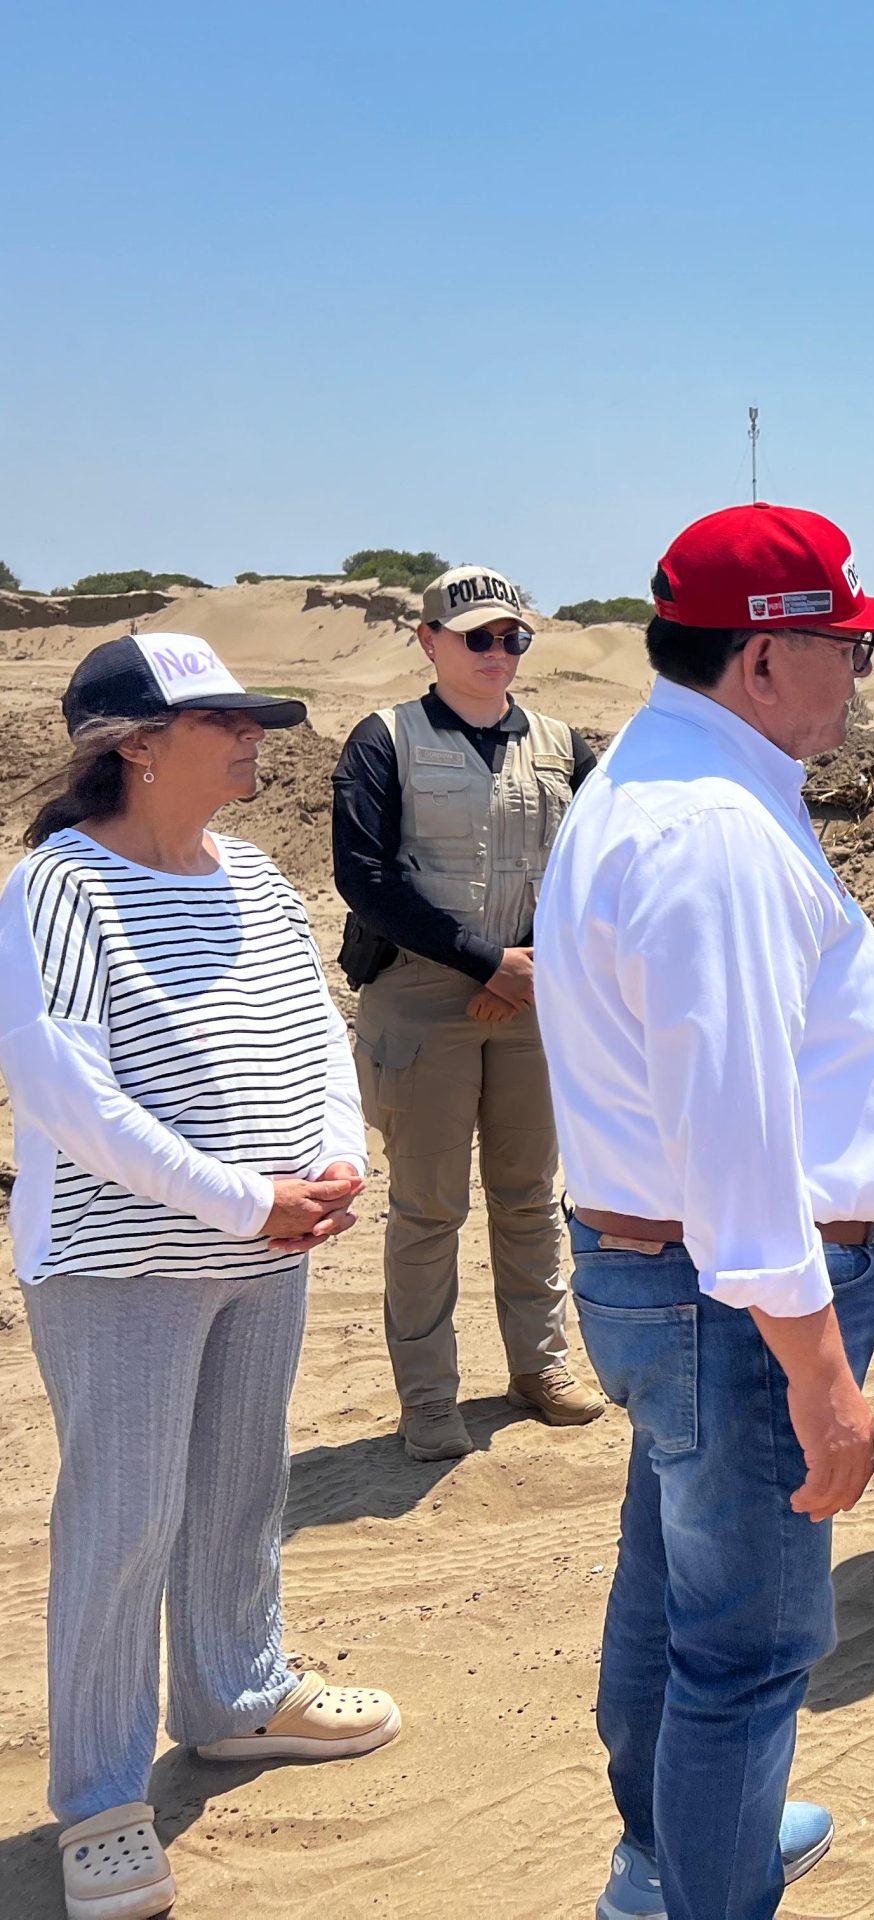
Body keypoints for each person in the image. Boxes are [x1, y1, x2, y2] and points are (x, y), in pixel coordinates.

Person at [534, 504, 874, 1920]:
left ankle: (671, 1854)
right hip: (736, 1295)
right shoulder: (712, 829)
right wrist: (818, 1374)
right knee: (747, 1650)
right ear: (761, 660)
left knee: (672, 1592)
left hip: (675, 1275)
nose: (863, 674)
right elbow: (736, 1129)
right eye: (847, 646)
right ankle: (700, 1877)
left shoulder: (667, 780)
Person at [1, 635, 402, 1920]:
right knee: (124, 1523)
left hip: (269, 1248)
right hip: (124, 1264)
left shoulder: (260, 875)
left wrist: (335, 1155)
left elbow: (317, 1029)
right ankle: (101, 1799)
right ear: (134, 744)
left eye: (252, 717)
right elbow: (64, 1091)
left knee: (240, 1487)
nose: (252, 737)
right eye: (222, 719)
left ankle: (235, 1696)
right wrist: (242, 1198)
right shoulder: (57, 885)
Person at [331, 563, 606, 1462]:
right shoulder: (384, 740)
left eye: (512, 637)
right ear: (429, 640)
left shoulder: (563, 745)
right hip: (421, 998)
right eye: (476, 636)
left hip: (536, 993)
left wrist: (530, 969)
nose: (497, 652)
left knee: (530, 1196)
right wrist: (488, 963)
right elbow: (365, 877)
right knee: (428, 1209)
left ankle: (541, 1367)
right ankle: (427, 1398)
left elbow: (597, 866)